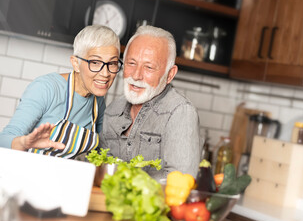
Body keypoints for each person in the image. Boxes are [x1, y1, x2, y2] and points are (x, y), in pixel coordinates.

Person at [0, 25, 121, 159]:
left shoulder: (98, 102)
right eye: (95, 62)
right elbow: (4, 140)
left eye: (112, 63)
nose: (105, 73)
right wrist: (23, 142)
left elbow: (102, 151)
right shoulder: (46, 88)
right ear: (76, 63)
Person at [99, 25, 201, 180]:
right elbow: (99, 165)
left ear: (170, 74)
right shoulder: (113, 109)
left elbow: (180, 181)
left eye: (149, 67)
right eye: (131, 63)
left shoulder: (181, 112)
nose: (136, 75)